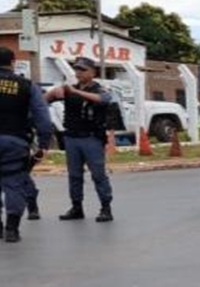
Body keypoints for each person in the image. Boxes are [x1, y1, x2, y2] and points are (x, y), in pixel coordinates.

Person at [44, 57, 115, 223]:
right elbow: (43, 100)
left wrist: (75, 92)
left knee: (98, 175)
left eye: (83, 70)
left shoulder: (99, 89)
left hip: (91, 138)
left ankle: (106, 208)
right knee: (74, 175)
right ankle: (77, 207)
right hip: (72, 137)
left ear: (93, 72)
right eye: (77, 69)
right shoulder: (70, 89)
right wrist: (55, 91)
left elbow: (104, 99)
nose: (78, 73)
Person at [0, 46, 51, 242]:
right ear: (12, 63)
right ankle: (12, 229)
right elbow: (43, 119)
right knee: (14, 183)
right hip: (15, 141)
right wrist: (43, 145)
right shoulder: (27, 85)